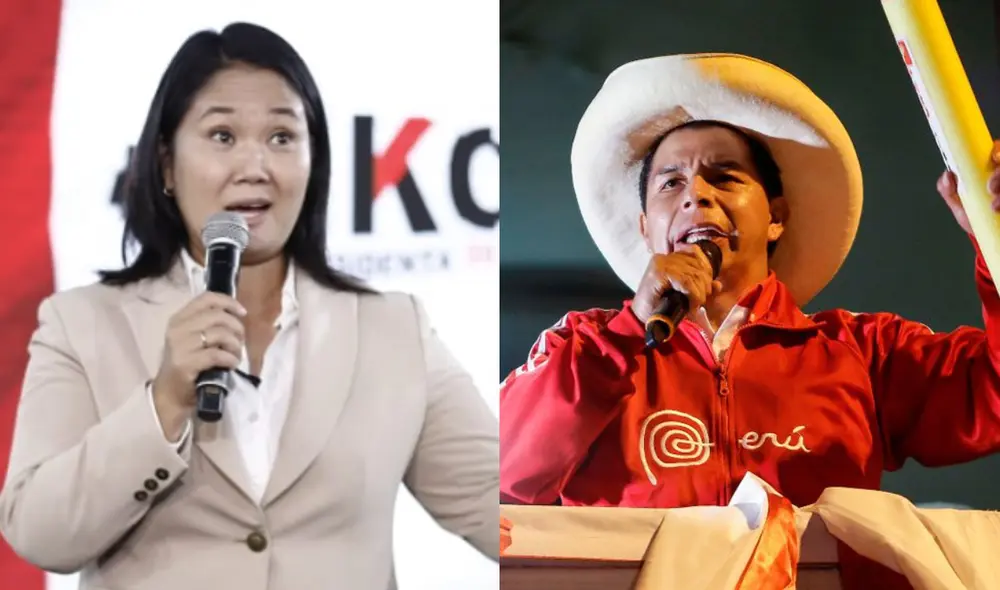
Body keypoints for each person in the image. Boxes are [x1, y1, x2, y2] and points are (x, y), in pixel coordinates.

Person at [0, 22, 499, 590]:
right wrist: (162, 403)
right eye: (222, 136)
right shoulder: (83, 323)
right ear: (165, 165)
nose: (254, 165)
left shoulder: (392, 329)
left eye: (282, 137)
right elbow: (37, 532)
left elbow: (499, 505)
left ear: (315, 163)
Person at [499, 53, 1000, 587]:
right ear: (646, 228)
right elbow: (506, 468)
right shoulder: (584, 348)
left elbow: (990, 392)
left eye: (724, 176)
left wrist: (994, 249)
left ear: (776, 216)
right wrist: (627, 333)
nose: (696, 193)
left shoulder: (862, 351)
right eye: (670, 183)